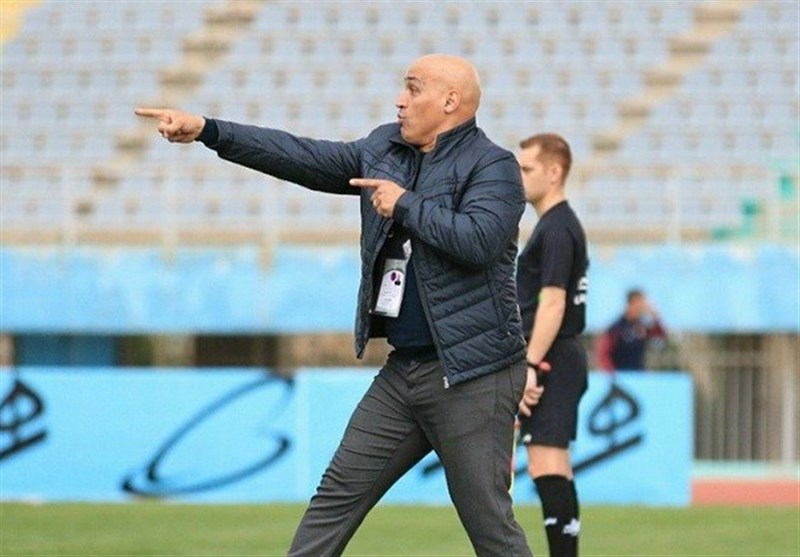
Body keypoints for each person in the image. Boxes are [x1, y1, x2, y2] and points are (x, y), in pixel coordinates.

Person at [136, 54, 533, 557]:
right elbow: (302, 156)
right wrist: (210, 131)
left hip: (474, 375)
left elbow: (480, 241)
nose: (400, 100)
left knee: (489, 526)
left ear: (450, 101)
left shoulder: (493, 165)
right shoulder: (384, 147)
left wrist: (405, 204)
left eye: (413, 89)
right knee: (335, 498)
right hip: (404, 372)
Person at [515, 133, 588, 557]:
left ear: (554, 172)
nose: (520, 177)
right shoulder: (556, 224)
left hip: (551, 356)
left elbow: (554, 301)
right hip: (558, 355)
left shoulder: (557, 227)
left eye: (528, 169)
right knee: (552, 463)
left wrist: (530, 364)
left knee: (547, 463)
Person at [595, 289, 667, 372]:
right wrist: (611, 374)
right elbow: (603, 354)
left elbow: (659, 338)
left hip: (638, 375)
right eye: (640, 303)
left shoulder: (642, 325)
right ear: (631, 304)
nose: (643, 307)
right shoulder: (616, 328)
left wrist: (655, 318)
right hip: (620, 375)